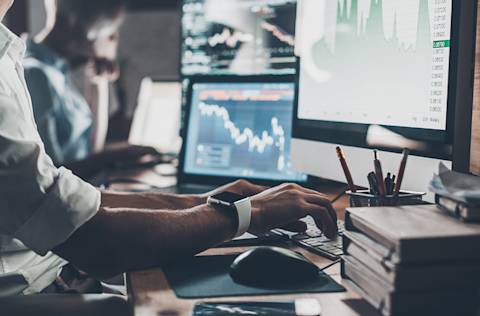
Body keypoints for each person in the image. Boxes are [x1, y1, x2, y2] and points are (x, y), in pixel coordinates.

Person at [0, 0, 337, 297]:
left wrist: (207, 202)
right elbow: (99, 244)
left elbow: (69, 197)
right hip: (39, 296)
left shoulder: (9, 58)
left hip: (57, 277)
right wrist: (247, 215)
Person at [23, 0, 155, 180]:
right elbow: (51, 175)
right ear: (78, 26)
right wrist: (117, 156)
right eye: (110, 30)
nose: (114, 39)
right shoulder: (36, 75)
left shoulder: (58, 71)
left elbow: (92, 148)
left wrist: (98, 82)